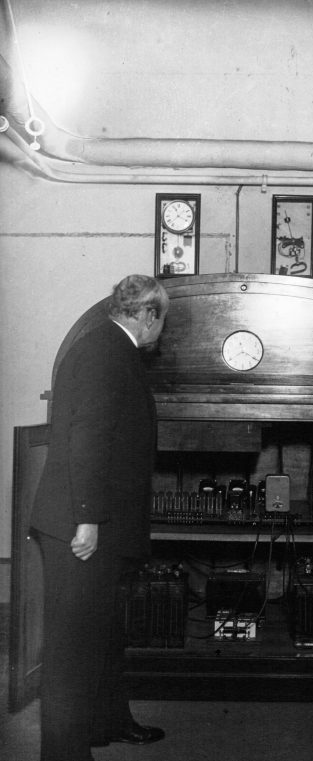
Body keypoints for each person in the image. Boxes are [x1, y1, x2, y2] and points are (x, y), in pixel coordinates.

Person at [31, 274, 170, 761]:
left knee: (105, 634)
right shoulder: (104, 351)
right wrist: (86, 519)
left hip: (103, 523)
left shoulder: (112, 347)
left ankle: (108, 722)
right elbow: (87, 438)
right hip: (82, 524)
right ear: (148, 314)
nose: (162, 332)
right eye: (162, 320)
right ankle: (65, 754)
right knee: (73, 653)